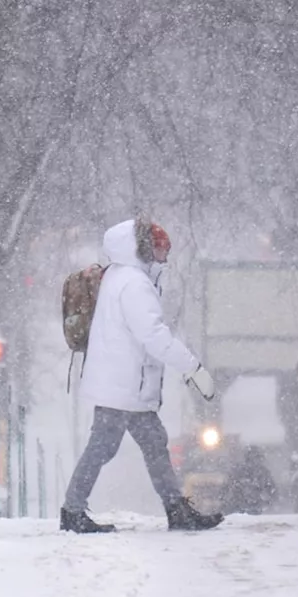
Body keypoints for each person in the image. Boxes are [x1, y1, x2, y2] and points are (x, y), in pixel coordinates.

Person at [61, 217, 222, 533]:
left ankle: (175, 509)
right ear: (146, 251)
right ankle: (72, 510)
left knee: (152, 443)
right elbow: (154, 336)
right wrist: (192, 367)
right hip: (123, 387)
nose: (165, 258)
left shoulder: (119, 277)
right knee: (104, 447)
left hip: (123, 384)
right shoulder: (134, 284)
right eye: (162, 251)